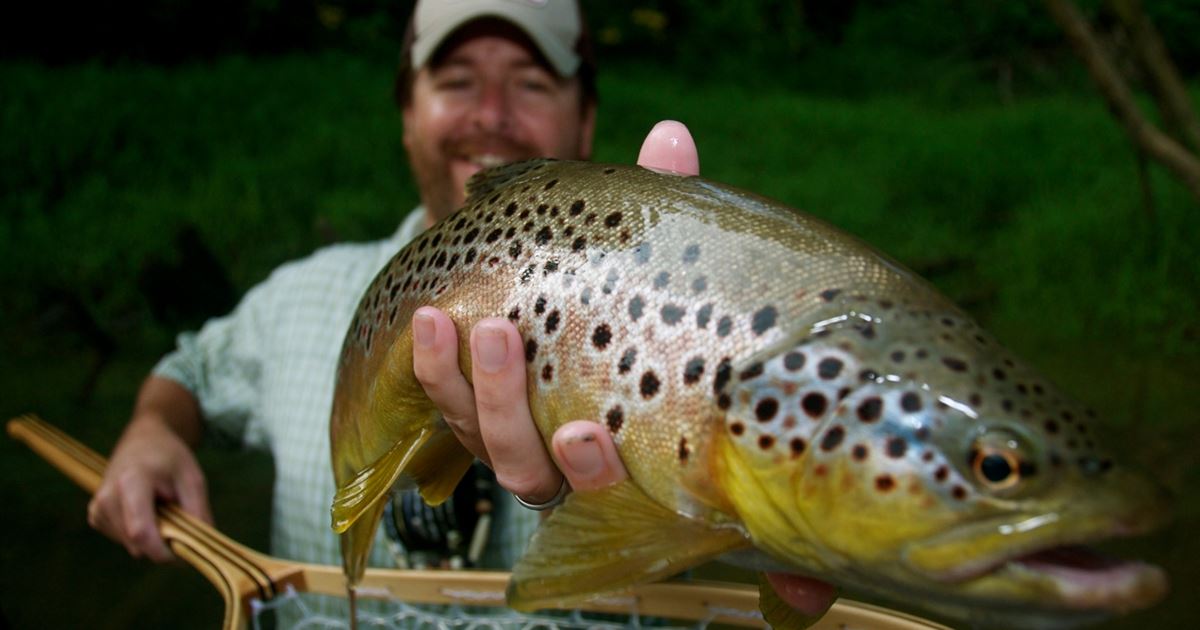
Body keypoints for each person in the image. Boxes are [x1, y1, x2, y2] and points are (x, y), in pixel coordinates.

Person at [87, 0, 834, 618]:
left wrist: (737, 490)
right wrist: (152, 430)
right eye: (456, 79)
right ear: (407, 110)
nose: (492, 115)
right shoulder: (295, 297)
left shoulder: (673, 329)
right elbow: (188, 369)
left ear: (585, 117)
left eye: (531, 83)